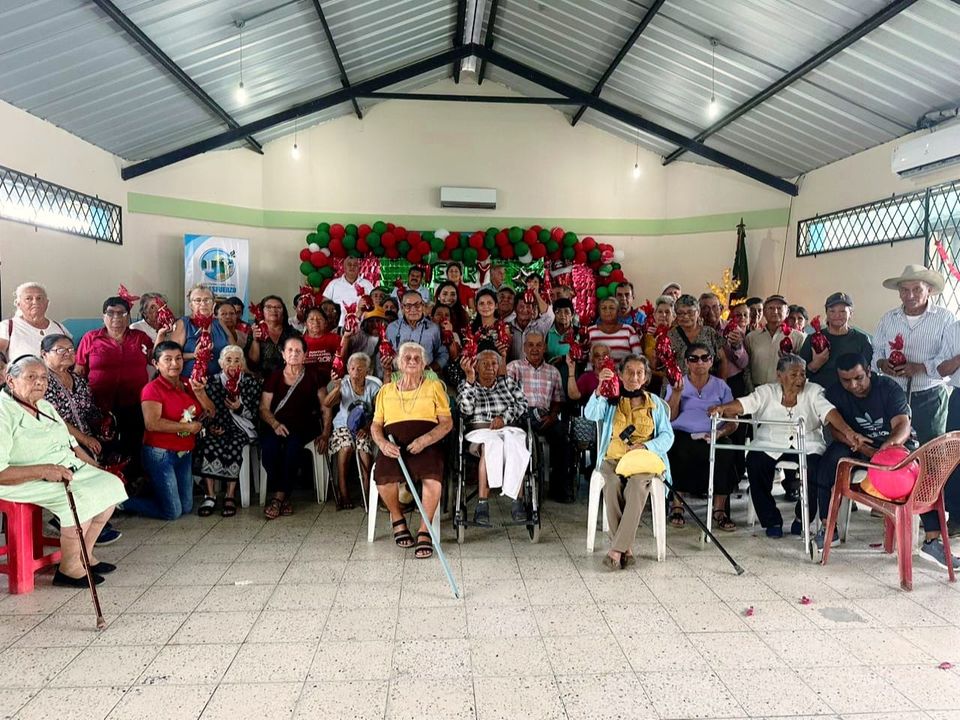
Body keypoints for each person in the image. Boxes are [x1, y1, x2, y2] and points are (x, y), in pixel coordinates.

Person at [813, 354, 957, 565]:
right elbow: (835, 429)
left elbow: (902, 426)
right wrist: (859, 444)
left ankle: (932, 541)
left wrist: (885, 449)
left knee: (920, 472)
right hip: (855, 443)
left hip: (892, 443)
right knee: (829, 461)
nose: (853, 385)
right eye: (846, 380)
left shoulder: (888, 388)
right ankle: (828, 528)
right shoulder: (835, 392)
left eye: (859, 378)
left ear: (869, 372)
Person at [0, 355, 127, 588]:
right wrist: (43, 471)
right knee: (80, 498)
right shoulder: (3, 412)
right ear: (10, 380)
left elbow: (70, 442)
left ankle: (84, 555)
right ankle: (68, 568)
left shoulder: (44, 406)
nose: (39, 382)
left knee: (110, 485)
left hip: (62, 468)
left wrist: (92, 465)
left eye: (43, 378)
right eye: (31, 377)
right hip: (19, 479)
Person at [710, 354, 858, 538]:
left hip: (808, 443)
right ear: (779, 375)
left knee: (816, 469)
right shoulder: (766, 392)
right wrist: (722, 408)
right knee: (755, 462)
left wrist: (848, 431)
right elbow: (744, 404)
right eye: (794, 374)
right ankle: (771, 519)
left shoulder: (814, 391)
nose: (800, 379)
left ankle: (802, 518)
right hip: (770, 442)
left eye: (802, 374)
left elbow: (829, 412)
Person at [585, 354, 674, 569]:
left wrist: (646, 446)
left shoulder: (655, 404)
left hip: (642, 461)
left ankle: (616, 550)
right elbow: (590, 414)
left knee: (636, 486)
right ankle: (626, 548)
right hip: (613, 458)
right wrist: (600, 389)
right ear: (620, 374)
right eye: (629, 372)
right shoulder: (611, 399)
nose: (634, 377)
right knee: (612, 484)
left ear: (646, 377)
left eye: (639, 373)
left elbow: (667, 436)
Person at [370, 342, 453, 558]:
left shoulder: (434, 387)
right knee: (383, 477)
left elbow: (446, 423)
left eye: (417, 358)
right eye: (407, 357)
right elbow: (376, 426)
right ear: (399, 363)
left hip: (427, 444)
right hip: (394, 446)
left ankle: (425, 529)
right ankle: (397, 518)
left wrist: (425, 440)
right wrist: (383, 444)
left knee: (432, 478)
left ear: (424, 364)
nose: (412, 361)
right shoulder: (386, 391)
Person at [123, 341, 214, 520]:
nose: (174, 363)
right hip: (161, 453)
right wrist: (188, 427)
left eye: (178, 358)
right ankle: (120, 502)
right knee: (173, 512)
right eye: (168, 359)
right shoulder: (152, 389)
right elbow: (152, 424)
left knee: (186, 507)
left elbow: (211, 413)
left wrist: (201, 394)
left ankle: (156, 491)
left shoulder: (189, 383)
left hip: (184, 452)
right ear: (156, 364)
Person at [873, 265, 952, 450]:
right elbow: (877, 349)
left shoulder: (945, 319)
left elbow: (950, 358)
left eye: (917, 289)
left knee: (931, 449)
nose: (910, 295)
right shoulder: (889, 318)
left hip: (930, 396)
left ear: (929, 290)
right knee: (894, 446)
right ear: (899, 293)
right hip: (893, 395)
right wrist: (882, 363)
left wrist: (920, 367)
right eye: (904, 290)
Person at [75, 296, 154, 477]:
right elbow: (79, 371)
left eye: (121, 313)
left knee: (133, 447)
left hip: (134, 404)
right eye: (110, 313)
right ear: (103, 316)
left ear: (128, 316)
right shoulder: (90, 338)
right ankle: (106, 484)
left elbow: (156, 360)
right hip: (98, 406)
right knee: (103, 448)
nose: (116, 317)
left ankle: (131, 484)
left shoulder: (140, 338)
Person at [664, 343, 739, 531]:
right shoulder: (677, 384)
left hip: (713, 433)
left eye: (705, 358)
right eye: (694, 359)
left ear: (711, 361)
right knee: (679, 447)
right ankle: (677, 506)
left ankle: (719, 510)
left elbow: (733, 421)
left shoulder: (721, 386)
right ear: (687, 363)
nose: (700, 363)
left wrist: (720, 432)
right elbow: (669, 417)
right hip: (682, 432)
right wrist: (677, 394)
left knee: (725, 450)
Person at [259, 335, 329, 519]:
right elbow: (263, 408)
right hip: (276, 425)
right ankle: (285, 497)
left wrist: (326, 433)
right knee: (269, 451)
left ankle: (278, 498)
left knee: (292, 450)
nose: (294, 354)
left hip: (304, 425)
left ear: (305, 355)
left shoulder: (314, 375)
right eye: (289, 350)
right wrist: (274, 423)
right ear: (283, 354)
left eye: (298, 350)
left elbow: (325, 407)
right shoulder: (274, 377)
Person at [459, 350, 530, 523]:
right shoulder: (467, 384)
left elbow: (522, 404)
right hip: (480, 431)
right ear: (476, 366)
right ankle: (482, 503)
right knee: (491, 445)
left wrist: (504, 418)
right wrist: (470, 380)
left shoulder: (508, 383)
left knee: (516, 444)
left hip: (507, 428)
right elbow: (465, 410)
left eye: (494, 364)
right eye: (485, 364)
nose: (490, 367)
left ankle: (517, 501)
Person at [195, 346, 261, 518]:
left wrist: (239, 407)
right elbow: (205, 411)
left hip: (241, 427)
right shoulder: (211, 381)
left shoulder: (250, 382)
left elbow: (255, 413)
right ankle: (210, 495)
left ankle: (230, 495)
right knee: (209, 442)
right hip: (218, 425)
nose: (232, 364)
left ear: (242, 363)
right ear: (221, 363)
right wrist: (211, 426)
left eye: (237, 360)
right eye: (228, 360)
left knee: (234, 442)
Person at [507, 332, 572, 502]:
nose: (534, 349)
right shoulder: (514, 367)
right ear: (524, 348)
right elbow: (507, 397)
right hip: (521, 416)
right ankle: (517, 490)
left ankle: (559, 489)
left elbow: (558, 400)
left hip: (545, 417)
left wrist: (553, 416)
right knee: (514, 436)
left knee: (563, 437)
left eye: (538, 345)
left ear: (545, 347)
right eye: (530, 345)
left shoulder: (553, 372)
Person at [323, 352, 381, 509]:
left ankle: (366, 491)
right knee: (346, 446)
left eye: (360, 369)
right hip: (343, 426)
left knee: (364, 448)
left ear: (368, 371)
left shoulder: (373, 387)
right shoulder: (343, 385)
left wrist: (367, 428)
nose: (355, 372)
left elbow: (380, 412)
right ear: (348, 370)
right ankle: (343, 491)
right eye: (352, 368)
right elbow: (327, 404)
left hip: (365, 427)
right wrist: (336, 388)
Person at [42, 335, 104, 458]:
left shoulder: (78, 380)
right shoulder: (41, 382)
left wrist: (103, 424)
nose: (67, 353)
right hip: (58, 444)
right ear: (44, 354)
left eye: (70, 349)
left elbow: (90, 411)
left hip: (88, 441)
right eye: (60, 350)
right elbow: (51, 419)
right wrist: (84, 439)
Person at [798, 292, 873, 390]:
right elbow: (798, 375)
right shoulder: (813, 338)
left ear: (850, 314)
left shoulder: (862, 340)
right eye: (832, 311)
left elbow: (867, 375)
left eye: (842, 311)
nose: (837, 315)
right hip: (817, 394)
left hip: (850, 394)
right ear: (826, 313)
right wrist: (814, 365)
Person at [167, 285, 231, 380]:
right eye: (198, 300)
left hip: (219, 382)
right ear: (191, 305)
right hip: (189, 381)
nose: (203, 303)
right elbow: (170, 355)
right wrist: (194, 355)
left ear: (213, 304)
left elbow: (235, 350)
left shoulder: (220, 323)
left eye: (207, 300)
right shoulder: (182, 324)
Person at [745, 294, 806, 389]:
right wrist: (750, 389)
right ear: (764, 312)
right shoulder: (751, 337)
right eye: (771, 308)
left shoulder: (798, 337)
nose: (775, 311)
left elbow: (803, 368)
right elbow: (746, 367)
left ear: (787, 312)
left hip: (784, 390)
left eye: (779, 308)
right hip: (757, 389)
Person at [0, 282, 71, 359]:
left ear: (47, 303)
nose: (35, 302)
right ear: (18, 304)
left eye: (39, 298)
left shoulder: (59, 327)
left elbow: (72, 355)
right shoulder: (7, 326)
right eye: (28, 299)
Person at [936, 313, 960, 538]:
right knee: (955, 456)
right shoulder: (954, 329)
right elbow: (941, 370)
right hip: (959, 397)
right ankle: (956, 517)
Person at [385, 291, 448, 375]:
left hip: (425, 376)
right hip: (398, 376)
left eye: (417, 305)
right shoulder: (392, 328)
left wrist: (431, 369)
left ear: (423, 306)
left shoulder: (433, 328)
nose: (413, 309)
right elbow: (385, 354)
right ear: (402, 307)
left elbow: (443, 354)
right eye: (408, 306)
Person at [668, 294, 729, 377]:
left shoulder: (709, 333)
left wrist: (722, 382)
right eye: (681, 313)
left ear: (698, 312)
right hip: (678, 384)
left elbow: (722, 360)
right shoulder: (670, 335)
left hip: (706, 383)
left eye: (690, 312)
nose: (686, 316)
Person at [248, 295, 297, 379]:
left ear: (283, 312)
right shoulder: (255, 331)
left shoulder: (293, 333)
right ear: (262, 311)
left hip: (288, 379)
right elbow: (253, 363)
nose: (273, 310)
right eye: (268, 307)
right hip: (262, 380)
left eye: (278, 307)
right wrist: (255, 341)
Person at [505, 287, 554, 362]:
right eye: (521, 306)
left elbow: (550, 315)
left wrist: (536, 294)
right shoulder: (508, 326)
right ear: (515, 308)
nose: (525, 310)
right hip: (512, 368)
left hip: (535, 368)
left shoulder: (539, 326)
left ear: (533, 309)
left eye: (528, 307)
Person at [323, 256, 374, 326]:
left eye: (355, 265)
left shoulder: (367, 284)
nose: (352, 267)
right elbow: (324, 305)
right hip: (338, 327)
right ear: (344, 267)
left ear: (359, 268)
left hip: (362, 327)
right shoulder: (333, 284)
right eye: (349, 264)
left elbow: (375, 304)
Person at [587, 297, 642, 362]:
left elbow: (638, 357)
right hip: (596, 369)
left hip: (623, 368)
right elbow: (584, 357)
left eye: (612, 308)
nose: (608, 311)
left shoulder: (629, 330)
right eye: (604, 308)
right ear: (599, 312)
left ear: (618, 312)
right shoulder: (590, 331)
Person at [642, 295, 675, 396]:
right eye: (660, 312)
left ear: (674, 317)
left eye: (667, 312)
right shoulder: (646, 336)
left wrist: (662, 335)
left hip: (670, 383)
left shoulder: (677, 336)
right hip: (648, 382)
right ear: (654, 315)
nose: (663, 315)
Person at [302, 306, 341, 384]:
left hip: (332, 380)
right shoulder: (299, 342)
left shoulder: (335, 339)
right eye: (311, 319)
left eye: (319, 319)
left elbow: (341, 361)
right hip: (307, 381)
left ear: (325, 323)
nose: (316, 322)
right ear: (305, 324)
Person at [470, 289, 510, 359]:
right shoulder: (471, 327)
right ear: (476, 306)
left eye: (489, 303)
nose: (485, 306)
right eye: (481, 303)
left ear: (496, 305)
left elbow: (508, 353)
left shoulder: (504, 327)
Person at [545, 298, 576, 363]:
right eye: (558, 312)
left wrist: (563, 358)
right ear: (554, 314)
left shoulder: (577, 333)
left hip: (571, 368)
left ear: (572, 315)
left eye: (566, 311)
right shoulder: (547, 332)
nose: (562, 315)